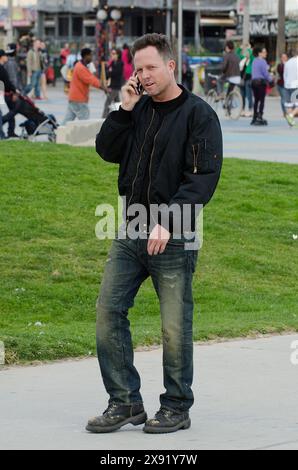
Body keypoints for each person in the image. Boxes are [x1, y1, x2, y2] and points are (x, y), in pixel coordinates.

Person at [86, 33, 222, 435]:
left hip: (173, 234)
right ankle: (125, 400)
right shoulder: (137, 108)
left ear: (170, 66)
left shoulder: (199, 115)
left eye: (150, 67)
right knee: (108, 312)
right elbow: (106, 150)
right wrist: (124, 110)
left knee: (174, 325)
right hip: (130, 229)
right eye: (138, 69)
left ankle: (176, 407)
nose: (144, 76)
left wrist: (170, 219)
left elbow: (202, 179)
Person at [62, 48, 101, 125]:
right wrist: (103, 87)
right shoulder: (80, 68)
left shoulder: (80, 65)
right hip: (78, 99)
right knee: (85, 120)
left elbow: (91, 77)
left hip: (74, 98)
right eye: (90, 55)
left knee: (68, 120)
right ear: (86, 56)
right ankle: (84, 136)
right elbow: (91, 80)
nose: (92, 57)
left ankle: (56, 134)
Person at [251, 47, 273, 126]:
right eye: (264, 52)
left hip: (253, 82)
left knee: (256, 100)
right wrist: (271, 80)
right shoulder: (263, 61)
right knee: (262, 100)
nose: (265, 53)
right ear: (259, 53)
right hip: (261, 83)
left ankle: (254, 116)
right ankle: (260, 115)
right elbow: (265, 74)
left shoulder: (254, 61)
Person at [0, 49, 19, 138]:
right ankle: (3, 134)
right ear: (2, 57)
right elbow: (7, 82)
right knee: (12, 110)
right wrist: (14, 90)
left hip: (5, 92)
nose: (7, 57)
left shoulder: (2, 67)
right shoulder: (1, 68)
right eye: (5, 55)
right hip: (6, 93)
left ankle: (7, 133)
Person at [102, 48, 124, 118]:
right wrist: (110, 72)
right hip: (111, 85)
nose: (112, 55)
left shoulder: (120, 63)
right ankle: (121, 117)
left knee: (107, 103)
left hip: (115, 86)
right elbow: (107, 73)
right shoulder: (112, 63)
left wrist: (110, 71)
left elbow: (116, 73)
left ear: (118, 55)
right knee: (117, 103)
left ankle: (103, 119)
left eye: (114, 54)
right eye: (112, 53)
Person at [237, 42, 254, 117]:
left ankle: (250, 109)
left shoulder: (251, 60)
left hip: (248, 78)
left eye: (248, 53)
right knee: (242, 95)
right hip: (242, 79)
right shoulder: (242, 59)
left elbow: (252, 55)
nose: (246, 54)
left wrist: (249, 49)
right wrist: (241, 47)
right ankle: (243, 109)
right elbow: (237, 54)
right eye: (246, 52)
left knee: (249, 94)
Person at [283, 48, 298, 125]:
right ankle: (291, 116)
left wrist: (286, 83)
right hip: (296, 85)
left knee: (289, 105)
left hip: (287, 85)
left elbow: (284, 75)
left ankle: (291, 122)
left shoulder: (287, 63)